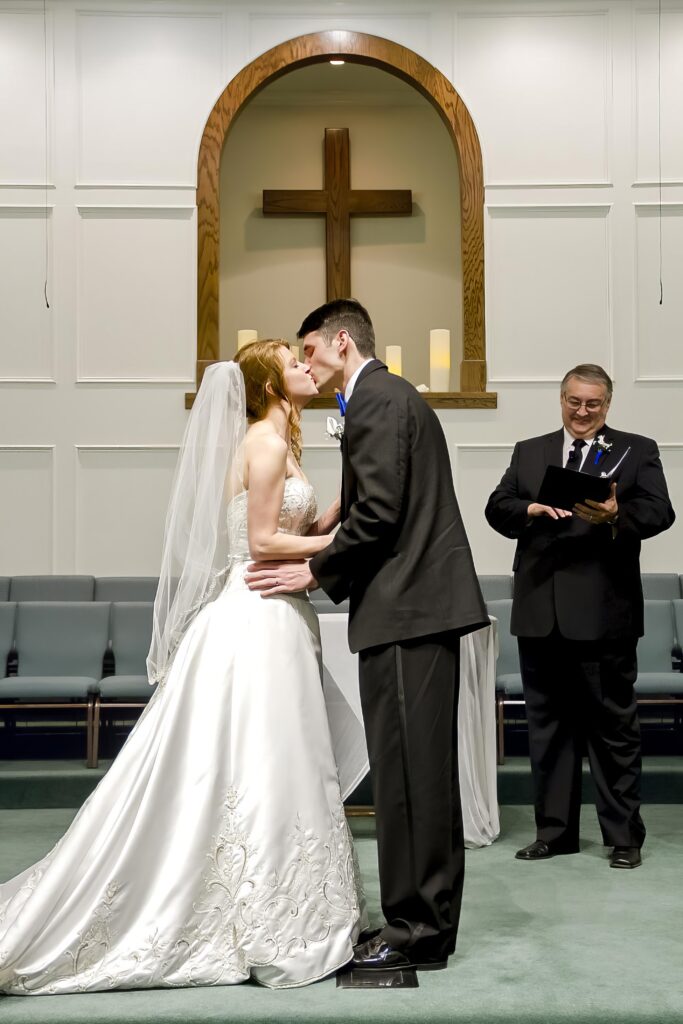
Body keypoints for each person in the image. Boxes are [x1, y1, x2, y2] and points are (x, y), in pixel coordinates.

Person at [0, 342, 366, 995]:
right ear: (267, 382)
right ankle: (267, 915)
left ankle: (282, 902)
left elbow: (291, 521)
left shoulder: (275, 444)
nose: (307, 367)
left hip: (274, 613)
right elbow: (259, 542)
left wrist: (341, 510)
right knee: (269, 760)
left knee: (276, 760)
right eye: (292, 361)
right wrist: (343, 544)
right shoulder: (265, 442)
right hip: (256, 619)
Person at [247, 299, 488, 972]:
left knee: (411, 781)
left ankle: (415, 934)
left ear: (341, 341)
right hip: (410, 610)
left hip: (409, 612)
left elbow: (379, 515)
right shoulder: (387, 397)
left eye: (312, 352)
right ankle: (420, 923)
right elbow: (378, 507)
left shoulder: (377, 401)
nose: (309, 366)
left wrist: (312, 571)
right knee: (414, 777)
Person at [485, 364, 675, 869]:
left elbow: (661, 511)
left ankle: (623, 839)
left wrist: (619, 517)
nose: (583, 411)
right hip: (539, 611)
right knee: (547, 729)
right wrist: (529, 510)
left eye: (593, 403)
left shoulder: (637, 449)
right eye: (574, 401)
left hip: (603, 614)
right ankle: (555, 832)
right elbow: (496, 507)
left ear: (608, 405)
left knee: (613, 730)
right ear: (562, 400)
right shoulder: (531, 450)